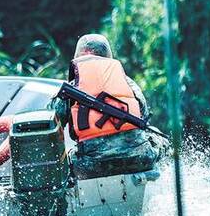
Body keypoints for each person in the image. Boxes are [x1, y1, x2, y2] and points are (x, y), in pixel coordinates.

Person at [49, 34, 167, 177]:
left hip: (91, 166)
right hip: (139, 159)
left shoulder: (70, 90)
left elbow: (51, 124)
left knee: (62, 157)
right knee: (161, 139)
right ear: (108, 56)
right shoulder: (128, 83)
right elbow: (143, 114)